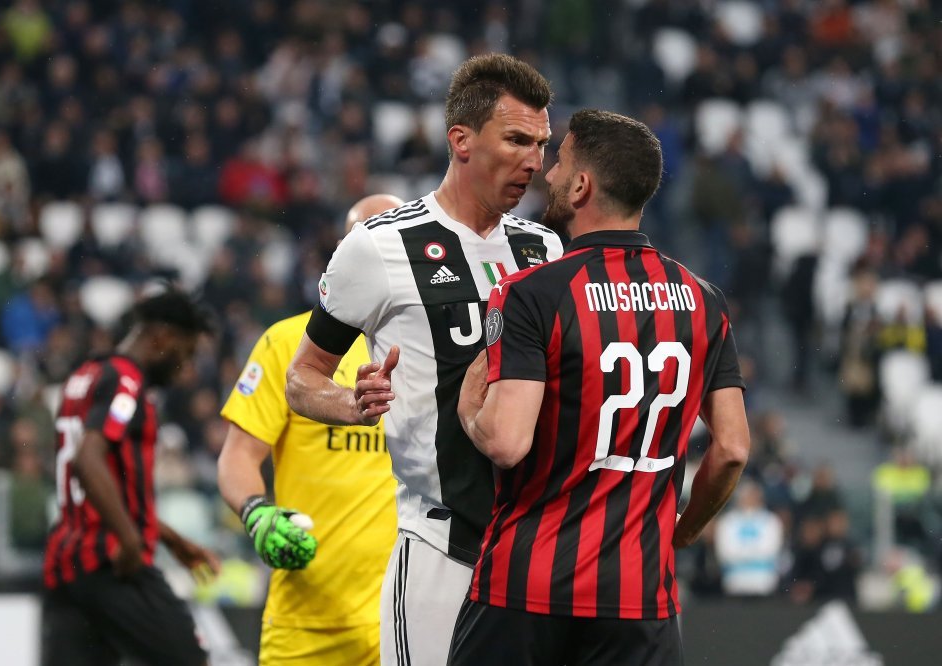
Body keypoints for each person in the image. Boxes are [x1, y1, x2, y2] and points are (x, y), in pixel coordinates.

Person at [286, 53, 564, 665]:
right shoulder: (378, 247)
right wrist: (350, 402)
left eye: (542, 144)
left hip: (534, 544)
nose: (534, 161)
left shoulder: (544, 248)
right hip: (442, 547)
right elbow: (301, 377)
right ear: (461, 140)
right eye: (517, 140)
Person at [450, 109, 751, 665]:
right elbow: (732, 448)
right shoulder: (703, 300)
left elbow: (507, 442)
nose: (548, 173)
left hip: (527, 587)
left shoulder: (532, 293)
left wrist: (469, 411)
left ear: (582, 186)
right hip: (640, 597)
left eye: (560, 162)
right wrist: (685, 530)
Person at [217, 193, 403, 666]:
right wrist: (257, 513)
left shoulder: (440, 349)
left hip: (405, 620)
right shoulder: (288, 344)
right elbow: (238, 455)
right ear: (345, 254)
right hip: (306, 624)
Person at [42, 289, 221, 666]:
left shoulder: (84, 376)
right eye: (185, 352)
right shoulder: (126, 381)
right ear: (161, 338)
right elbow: (88, 460)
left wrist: (172, 540)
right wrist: (129, 540)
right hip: (110, 561)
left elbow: (107, 487)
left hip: (66, 566)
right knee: (190, 660)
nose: (185, 366)